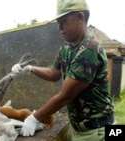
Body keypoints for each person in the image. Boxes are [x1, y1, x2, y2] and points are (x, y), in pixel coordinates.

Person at [11, 0, 114, 140]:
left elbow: (66, 96)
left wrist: (34, 118)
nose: (59, 27)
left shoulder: (89, 50)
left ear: (79, 18)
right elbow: (54, 73)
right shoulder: (68, 47)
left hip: (95, 131)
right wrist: (30, 68)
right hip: (77, 126)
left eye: (63, 21)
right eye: (58, 22)